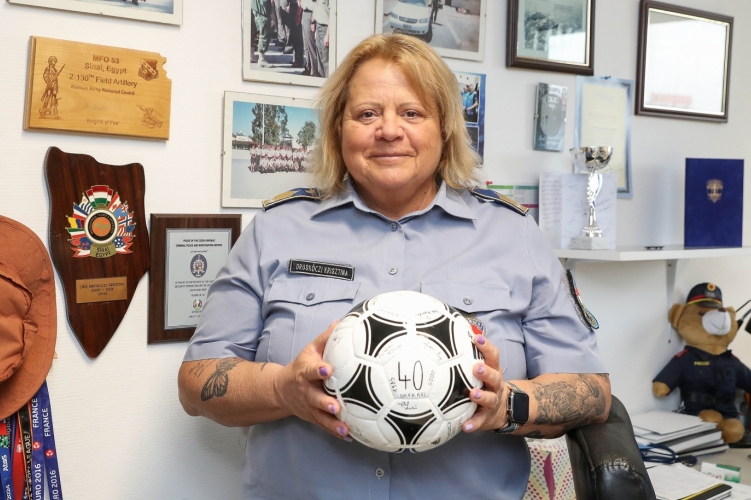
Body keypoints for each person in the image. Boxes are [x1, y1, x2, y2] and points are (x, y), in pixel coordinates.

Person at [178, 33, 610, 500]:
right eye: (367, 114)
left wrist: (508, 404)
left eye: (412, 113)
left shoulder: (513, 234)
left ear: (445, 128)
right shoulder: (275, 230)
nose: (388, 130)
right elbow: (197, 379)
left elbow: (592, 392)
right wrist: (284, 389)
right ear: (338, 129)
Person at [251, 0, 273, 68]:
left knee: (254, 31)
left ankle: (251, 55)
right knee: (264, 32)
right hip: (262, 9)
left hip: (255, 7)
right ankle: (261, 60)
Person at [311, 0, 329, 77]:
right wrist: (314, 23)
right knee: (320, 57)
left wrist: (328, 34)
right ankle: (321, 79)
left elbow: (332, 15)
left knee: (326, 59)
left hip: (325, 27)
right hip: (319, 25)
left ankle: (327, 80)